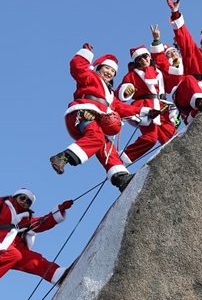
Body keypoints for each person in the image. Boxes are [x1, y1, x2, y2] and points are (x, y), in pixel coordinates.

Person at [49, 43, 155, 192]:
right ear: (98, 68)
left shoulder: (110, 95)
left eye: (112, 71)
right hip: (83, 112)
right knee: (98, 138)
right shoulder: (90, 77)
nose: (109, 72)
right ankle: (63, 157)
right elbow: (77, 68)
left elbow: (124, 108)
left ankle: (120, 177)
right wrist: (85, 53)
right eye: (107, 68)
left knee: (107, 148)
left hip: (97, 120)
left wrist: (146, 112)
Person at [0, 188, 74, 297]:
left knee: (35, 260)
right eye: (22, 198)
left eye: (28, 202)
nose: (24, 202)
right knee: (14, 254)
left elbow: (42, 222)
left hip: (16, 248)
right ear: (15, 196)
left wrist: (60, 210)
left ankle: (59, 275)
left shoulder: (25, 219)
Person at [115, 27, 182, 164]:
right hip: (146, 108)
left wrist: (157, 41)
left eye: (145, 56)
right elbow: (120, 92)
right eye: (139, 59)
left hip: (163, 106)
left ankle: (175, 161)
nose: (143, 60)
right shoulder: (132, 75)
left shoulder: (158, 71)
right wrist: (126, 90)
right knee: (151, 138)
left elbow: (171, 82)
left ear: (149, 57)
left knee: (171, 136)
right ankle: (121, 159)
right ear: (136, 62)